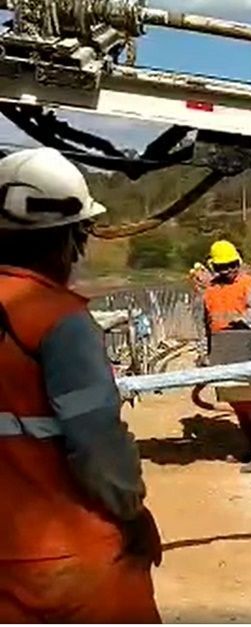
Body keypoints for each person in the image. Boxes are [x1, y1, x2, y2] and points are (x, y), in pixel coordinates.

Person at [0, 148, 161, 622]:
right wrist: (132, 513)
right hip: (69, 564)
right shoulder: (58, 321)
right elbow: (97, 444)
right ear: (69, 239)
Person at [203, 239, 251, 474]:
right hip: (223, 352)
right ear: (214, 267)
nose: (229, 270)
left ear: (238, 262)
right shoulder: (210, 291)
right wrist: (207, 352)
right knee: (237, 401)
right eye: (223, 267)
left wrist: (240, 323)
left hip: (247, 348)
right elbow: (207, 323)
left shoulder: (249, 284)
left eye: (232, 264)